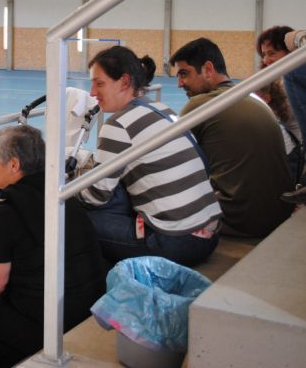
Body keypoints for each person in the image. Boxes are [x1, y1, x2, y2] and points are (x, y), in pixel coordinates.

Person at [0, 125, 106, 368]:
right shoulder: (62, 193)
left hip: (52, 325)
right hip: (87, 308)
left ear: (14, 165)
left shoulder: (8, 207)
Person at [69, 46, 221, 267]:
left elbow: (95, 196)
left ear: (124, 82)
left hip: (176, 242)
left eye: (99, 83)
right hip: (209, 233)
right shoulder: (161, 109)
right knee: (117, 191)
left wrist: (68, 187)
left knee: (72, 216)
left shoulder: (118, 125)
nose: (92, 92)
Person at [170, 38, 294, 237]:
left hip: (243, 221)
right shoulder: (253, 97)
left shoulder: (201, 104)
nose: (179, 83)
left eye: (184, 74)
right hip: (279, 214)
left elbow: (170, 164)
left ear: (208, 69)